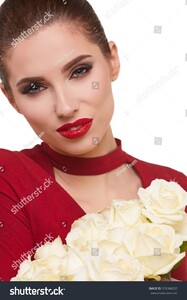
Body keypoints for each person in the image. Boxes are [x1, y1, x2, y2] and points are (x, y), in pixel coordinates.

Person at [0, 0, 186, 282]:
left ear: (112, 60)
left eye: (79, 71)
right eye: (34, 88)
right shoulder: (9, 179)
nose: (65, 107)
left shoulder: (174, 191)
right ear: (12, 99)